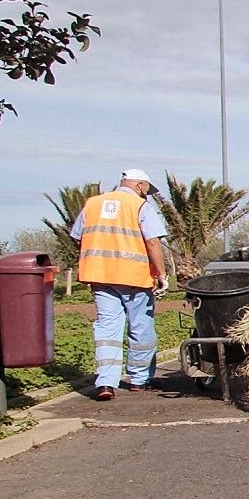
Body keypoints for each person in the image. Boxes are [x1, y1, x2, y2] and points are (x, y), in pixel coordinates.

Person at [70, 169, 169, 400]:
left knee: (107, 328)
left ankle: (105, 382)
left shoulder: (93, 204)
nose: (147, 195)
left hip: (100, 276)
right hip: (133, 277)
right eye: (147, 190)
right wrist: (162, 274)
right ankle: (139, 379)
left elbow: (77, 237)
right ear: (140, 185)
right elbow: (153, 242)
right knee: (141, 326)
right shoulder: (139, 206)